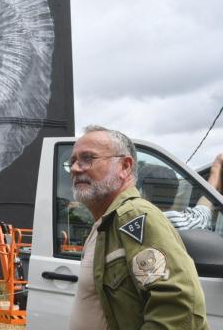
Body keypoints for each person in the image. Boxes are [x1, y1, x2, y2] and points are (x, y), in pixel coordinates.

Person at [67, 125, 208, 330]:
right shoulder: (107, 222)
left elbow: (177, 309)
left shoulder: (134, 215)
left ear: (125, 166)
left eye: (88, 158)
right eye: (72, 161)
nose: (75, 168)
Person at [138, 158, 222, 230]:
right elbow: (203, 211)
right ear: (175, 193)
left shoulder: (137, 222)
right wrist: (216, 167)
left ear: (143, 194)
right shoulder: (181, 221)